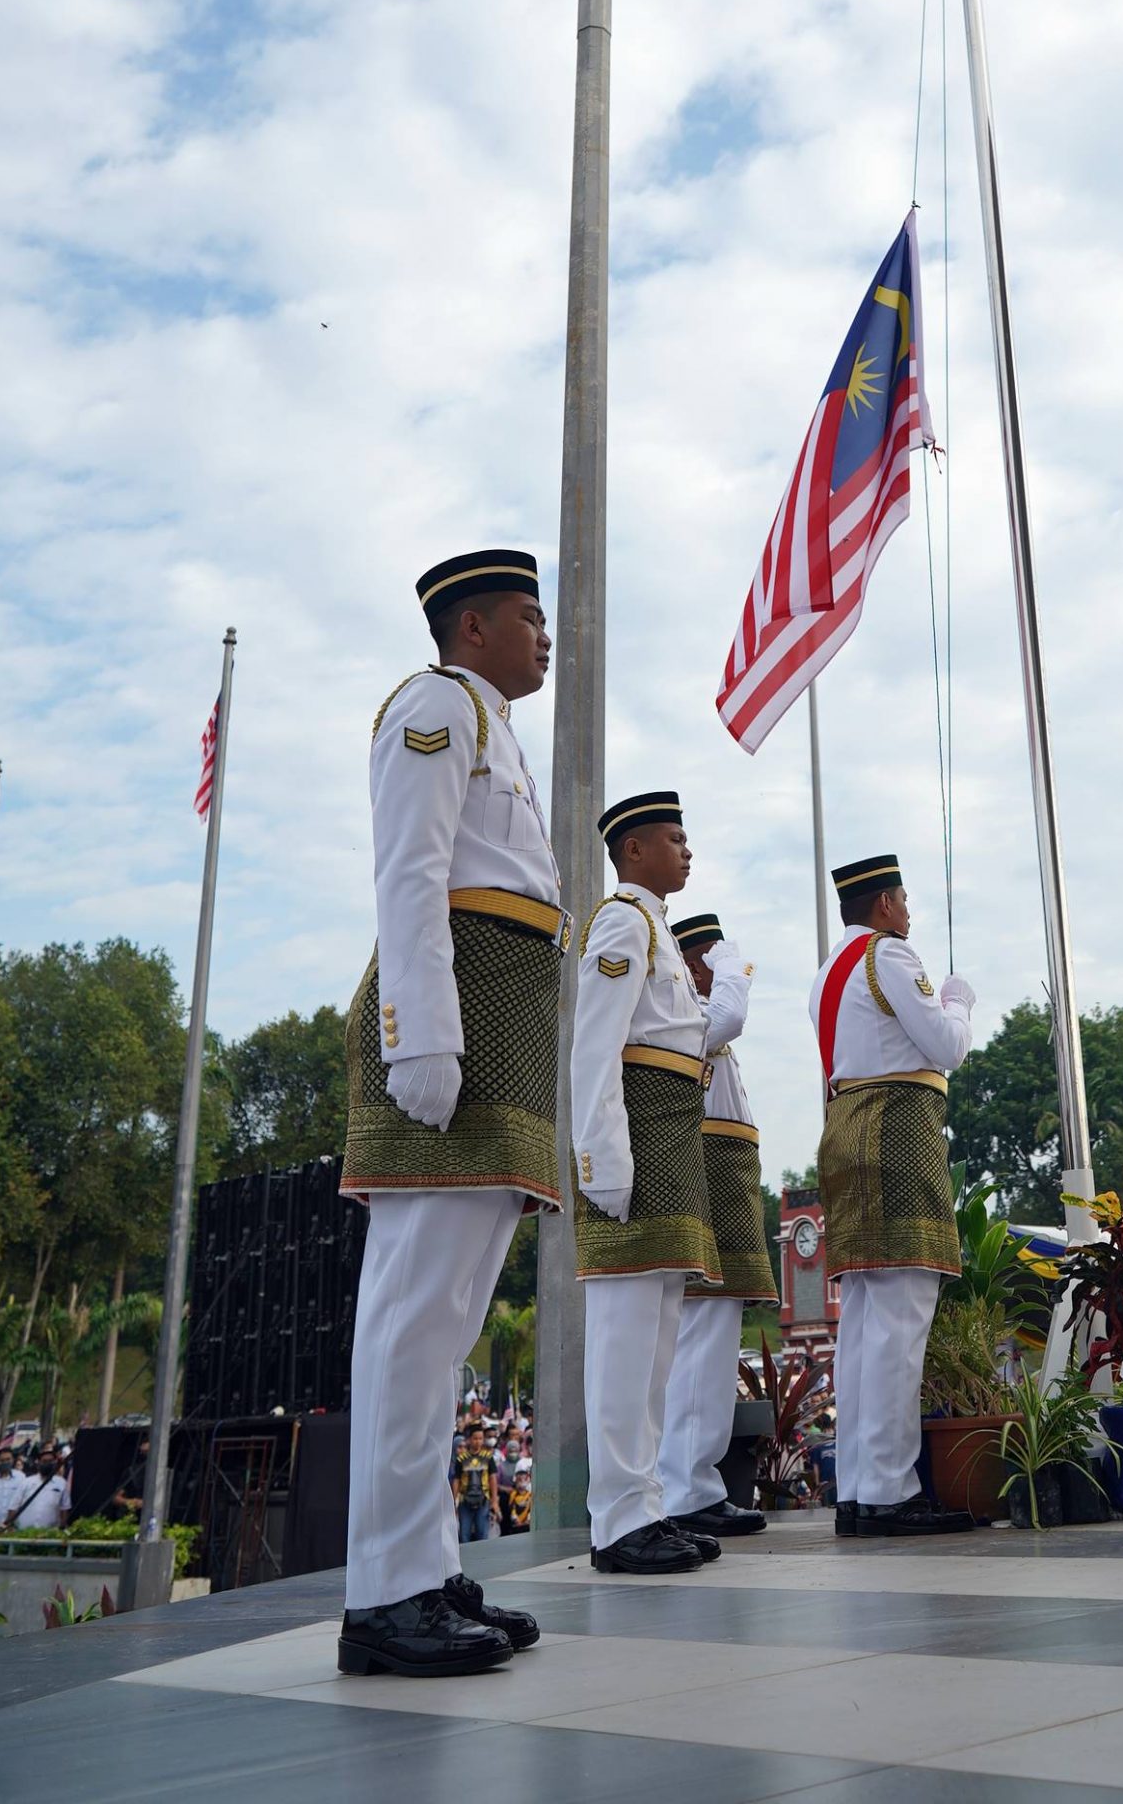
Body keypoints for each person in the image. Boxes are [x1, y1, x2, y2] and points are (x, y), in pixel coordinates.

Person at [336, 546, 559, 1678]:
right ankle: (382, 1591)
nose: (543, 632)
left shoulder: (491, 723)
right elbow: (410, 873)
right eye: (528, 614)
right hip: (451, 1031)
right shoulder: (432, 706)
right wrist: (420, 1031)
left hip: (500, 1031)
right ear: (471, 627)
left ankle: (422, 1567)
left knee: (449, 1323)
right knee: (415, 1320)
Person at [572, 790, 722, 1577]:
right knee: (627, 1338)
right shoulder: (623, 922)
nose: (686, 850)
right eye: (674, 837)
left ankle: (647, 1505)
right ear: (633, 851)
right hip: (632, 1135)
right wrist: (599, 1156)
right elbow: (594, 1047)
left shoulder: (656, 929)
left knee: (659, 1331)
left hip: (667, 1130)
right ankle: (618, 1519)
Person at [811, 852, 975, 1541]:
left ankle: (859, 1486)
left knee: (866, 1323)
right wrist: (959, 1000)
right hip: (895, 1131)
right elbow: (946, 1044)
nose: (909, 915)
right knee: (900, 1318)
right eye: (903, 902)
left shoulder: (828, 971)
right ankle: (888, 1489)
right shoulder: (892, 956)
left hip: (848, 1127)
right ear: (884, 905)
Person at [660, 910, 777, 1539]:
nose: (723, 968)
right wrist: (733, 973)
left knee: (716, 1335)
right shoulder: (687, 1014)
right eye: (712, 958)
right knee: (700, 1336)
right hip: (702, 1179)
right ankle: (683, 1486)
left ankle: (696, 1481)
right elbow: (728, 1014)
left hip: (723, 1179)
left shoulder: (712, 1035)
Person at [450, 1418, 499, 1542]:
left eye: (480, 1439)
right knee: (464, 1534)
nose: (478, 1442)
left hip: (483, 1499)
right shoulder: (461, 1459)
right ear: (469, 1439)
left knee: (482, 1533)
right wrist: (453, 1501)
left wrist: (494, 1500)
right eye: (475, 1438)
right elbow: (457, 1479)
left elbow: (492, 1478)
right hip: (464, 1500)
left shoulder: (487, 1457)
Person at [10, 1442, 73, 1532]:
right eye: (44, 1461)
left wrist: (62, 1528)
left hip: (50, 1534)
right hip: (24, 1532)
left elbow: (65, 1508)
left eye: (50, 1461)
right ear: (38, 1463)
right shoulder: (26, 1482)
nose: (47, 1464)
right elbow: (14, 1506)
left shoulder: (61, 1483)